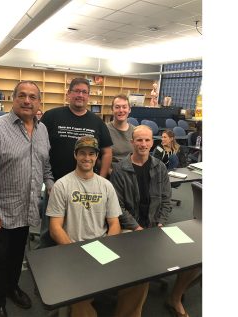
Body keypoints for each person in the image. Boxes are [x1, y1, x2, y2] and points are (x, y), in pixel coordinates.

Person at [47, 135, 149, 317]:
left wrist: (107, 248)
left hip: (102, 246)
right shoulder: (62, 185)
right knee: (78, 295)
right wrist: (75, 251)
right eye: (82, 153)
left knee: (141, 280)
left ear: (96, 157)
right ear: (75, 155)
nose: (87, 158)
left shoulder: (106, 185)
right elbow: (55, 227)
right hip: (73, 248)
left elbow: (114, 222)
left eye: (91, 154)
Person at [0, 81, 54, 317]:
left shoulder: (42, 130)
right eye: (22, 95)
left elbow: (46, 165)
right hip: (0, 209)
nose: (27, 101)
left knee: (17, 254)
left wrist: (51, 185)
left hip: (27, 207)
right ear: (14, 98)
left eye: (32, 97)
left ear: (39, 102)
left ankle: (12, 287)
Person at [110, 125, 200, 317]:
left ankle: (174, 297)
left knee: (195, 255)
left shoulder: (159, 167)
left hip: (157, 226)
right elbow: (118, 207)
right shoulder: (119, 170)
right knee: (141, 272)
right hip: (130, 229)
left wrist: (160, 222)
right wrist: (137, 227)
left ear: (152, 142)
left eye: (147, 140)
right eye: (139, 140)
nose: (143, 144)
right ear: (132, 142)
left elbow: (166, 200)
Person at [39, 77, 113, 247]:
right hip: (54, 183)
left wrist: (99, 180)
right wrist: (47, 181)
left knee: (77, 228)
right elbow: (38, 150)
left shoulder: (97, 122)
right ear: (68, 94)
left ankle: (75, 261)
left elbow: (107, 152)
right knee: (48, 230)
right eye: (76, 91)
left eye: (84, 92)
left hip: (85, 186)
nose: (80, 95)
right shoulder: (52, 116)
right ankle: (43, 264)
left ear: (88, 96)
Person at [106, 94, 135, 172]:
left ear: (129, 109)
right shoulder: (104, 130)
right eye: (117, 107)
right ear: (112, 109)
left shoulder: (135, 131)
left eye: (124, 107)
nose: (121, 110)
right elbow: (97, 158)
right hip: (111, 175)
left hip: (131, 175)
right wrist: (111, 173)